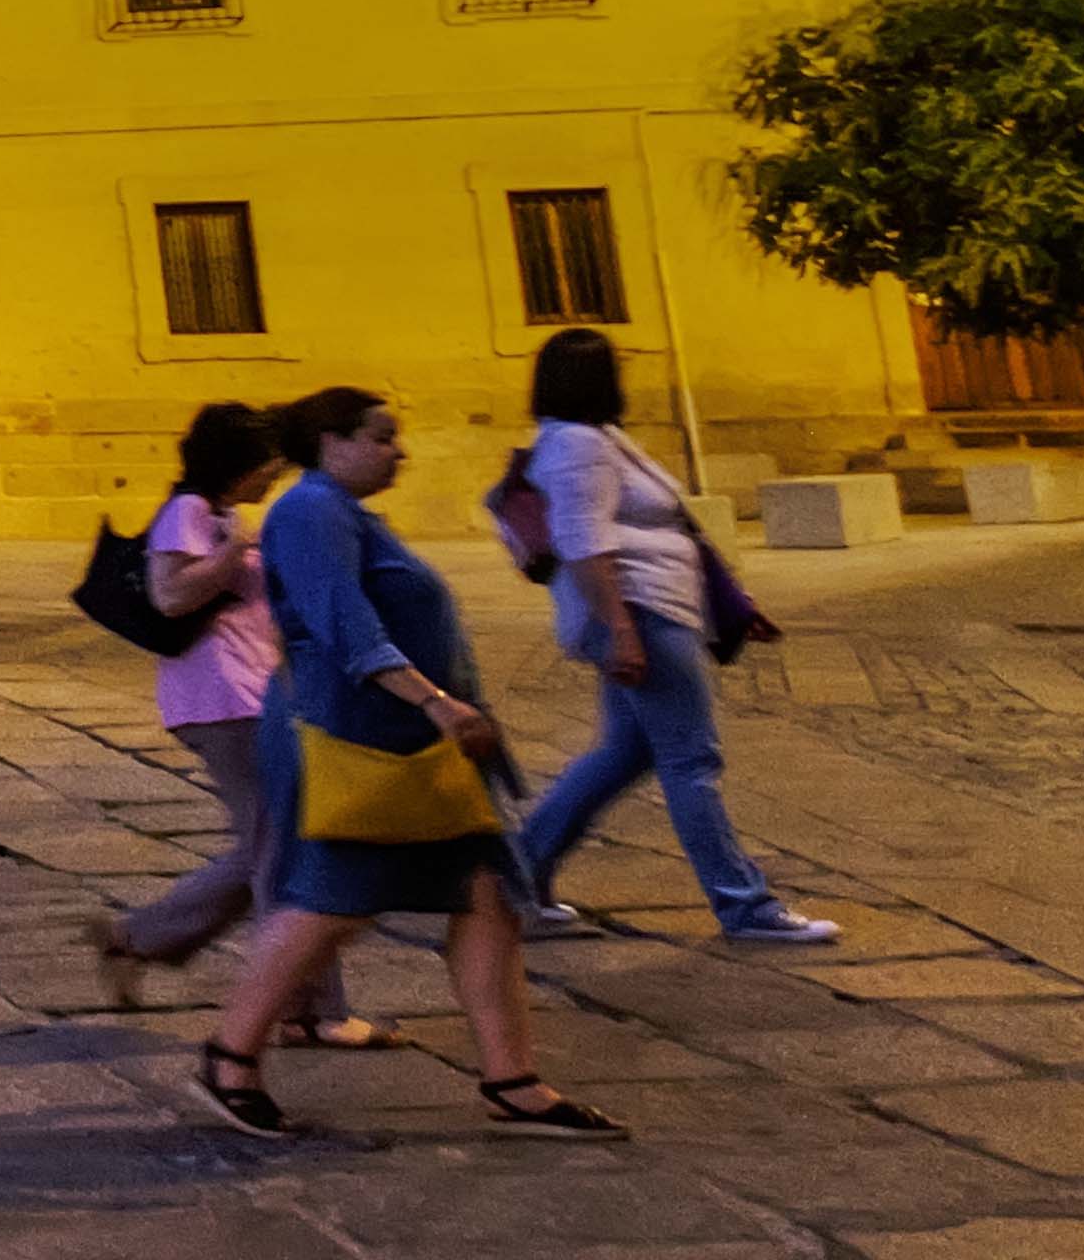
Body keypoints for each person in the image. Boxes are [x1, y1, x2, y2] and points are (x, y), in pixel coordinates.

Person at [195, 387, 620, 1142]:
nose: (399, 452)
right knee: (331, 901)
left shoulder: (342, 512)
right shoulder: (310, 510)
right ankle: (230, 1059)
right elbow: (343, 622)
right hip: (354, 740)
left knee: (485, 892)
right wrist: (436, 702)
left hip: (414, 746)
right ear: (331, 442)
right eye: (382, 436)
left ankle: (513, 1079)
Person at [508, 329, 833, 945]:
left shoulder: (597, 438)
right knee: (692, 760)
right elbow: (583, 542)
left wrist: (727, 603)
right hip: (642, 614)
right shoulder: (578, 444)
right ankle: (745, 906)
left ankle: (517, 877)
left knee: (624, 752)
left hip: (656, 610)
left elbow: (665, 527)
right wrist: (621, 630)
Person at [92, 405, 364, 1042]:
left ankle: (137, 938)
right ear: (235, 464)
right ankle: (309, 1012)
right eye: (266, 466)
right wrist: (238, 550)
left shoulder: (218, 515)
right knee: (288, 855)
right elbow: (170, 595)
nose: (273, 476)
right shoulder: (188, 512)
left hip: (248, 698)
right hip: (223, 704)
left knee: (272, 847)